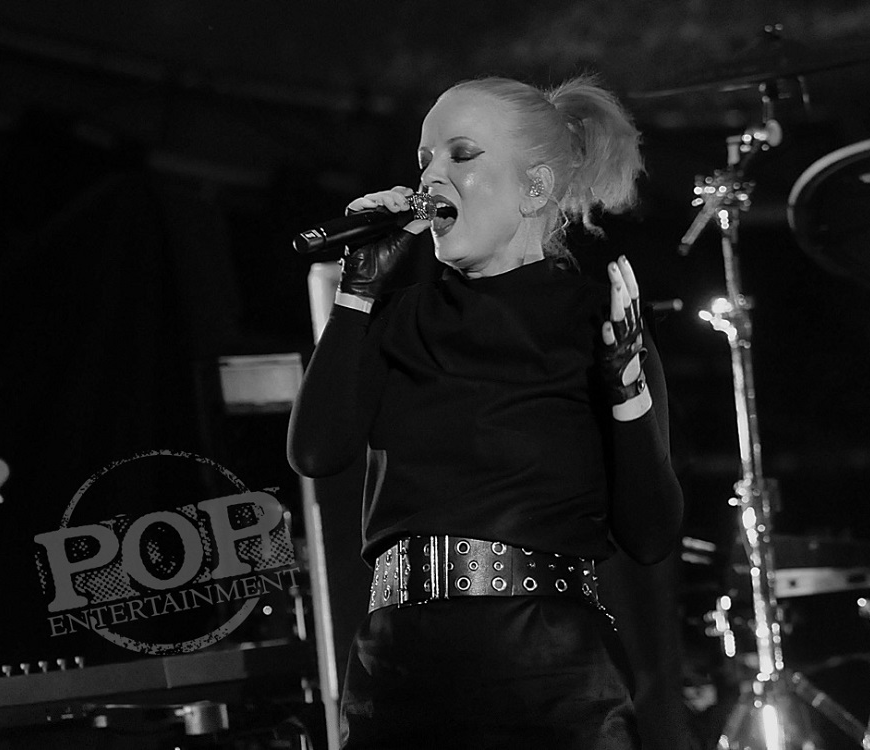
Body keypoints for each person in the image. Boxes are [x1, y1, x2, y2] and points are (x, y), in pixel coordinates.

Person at [286, 73, 684, 749]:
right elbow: (316, 453)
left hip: (546, 665)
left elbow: (649, 535)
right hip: (398, 662)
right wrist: (356, 290)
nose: (430, 177)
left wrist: (628, 393)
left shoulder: (596, 322)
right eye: (424, 160)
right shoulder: (397, 319)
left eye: (461, 155)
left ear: (534, 188)